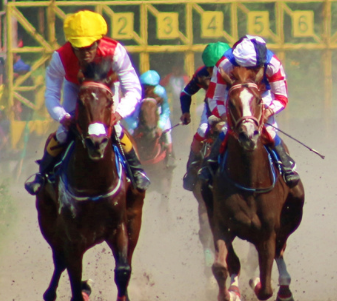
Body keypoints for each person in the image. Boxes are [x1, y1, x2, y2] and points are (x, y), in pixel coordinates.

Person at [23, 10, 150, 194]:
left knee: (115, 129)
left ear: (98, 41)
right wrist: (63, 116)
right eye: (78, 47)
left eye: (89, 46)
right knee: (63, 133)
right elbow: (51, 94)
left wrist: (119, 113)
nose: (84, 53)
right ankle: (42, 175)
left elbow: (133, 89)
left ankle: (137, 171)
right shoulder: (60, 57)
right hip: (75, 88)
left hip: (106, 88)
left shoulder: (115, 52)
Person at [200, 35, 299, 186]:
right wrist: (226, 115)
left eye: (254, 68)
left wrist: (268, 111)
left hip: (262, 95)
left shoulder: (273, 63)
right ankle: (211, 164)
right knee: (226, 129)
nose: (250, 72)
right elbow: (214, 97)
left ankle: (286, 167)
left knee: (269, 129)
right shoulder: (224, 64)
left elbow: (281, 97)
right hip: (234, 92)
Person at [179, 42, 228, 189]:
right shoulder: (202, 74)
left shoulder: (238, 72)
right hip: (211, 109)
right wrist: (185, 111)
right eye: (209, 67)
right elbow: (186, 93)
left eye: (215, 68)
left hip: (235, 110)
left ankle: (280, 164)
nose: (211, 71)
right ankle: (192, 167)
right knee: (202, 130)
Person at [127, 70, 172, 151]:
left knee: (167, 132)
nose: (147, 89)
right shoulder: (137, 92)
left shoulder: (161, 91)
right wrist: (134, 125)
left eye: (151, 86)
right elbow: (128, 113)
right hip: (138, 116)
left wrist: (160, 125)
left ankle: (170, 155)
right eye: (145, 86)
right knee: (129, 132)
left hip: (159, 114)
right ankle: (128, 155)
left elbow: (166, 110)